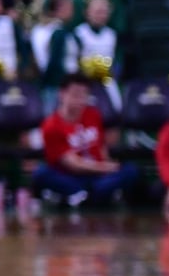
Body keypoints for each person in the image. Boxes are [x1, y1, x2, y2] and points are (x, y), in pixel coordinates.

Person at [32, 74, 137, 207]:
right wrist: (105, 168)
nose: (80, 99)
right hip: (70, 176)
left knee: (130, 170)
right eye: (75, 94)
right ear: (62, 94)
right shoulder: (51, 125)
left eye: (84, 95)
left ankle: (84, 196)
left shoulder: (93, 114)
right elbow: (72, 164)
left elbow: (100, 147)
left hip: (98, 176)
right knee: (41, 173)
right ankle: (89, 195)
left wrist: (108, 164)